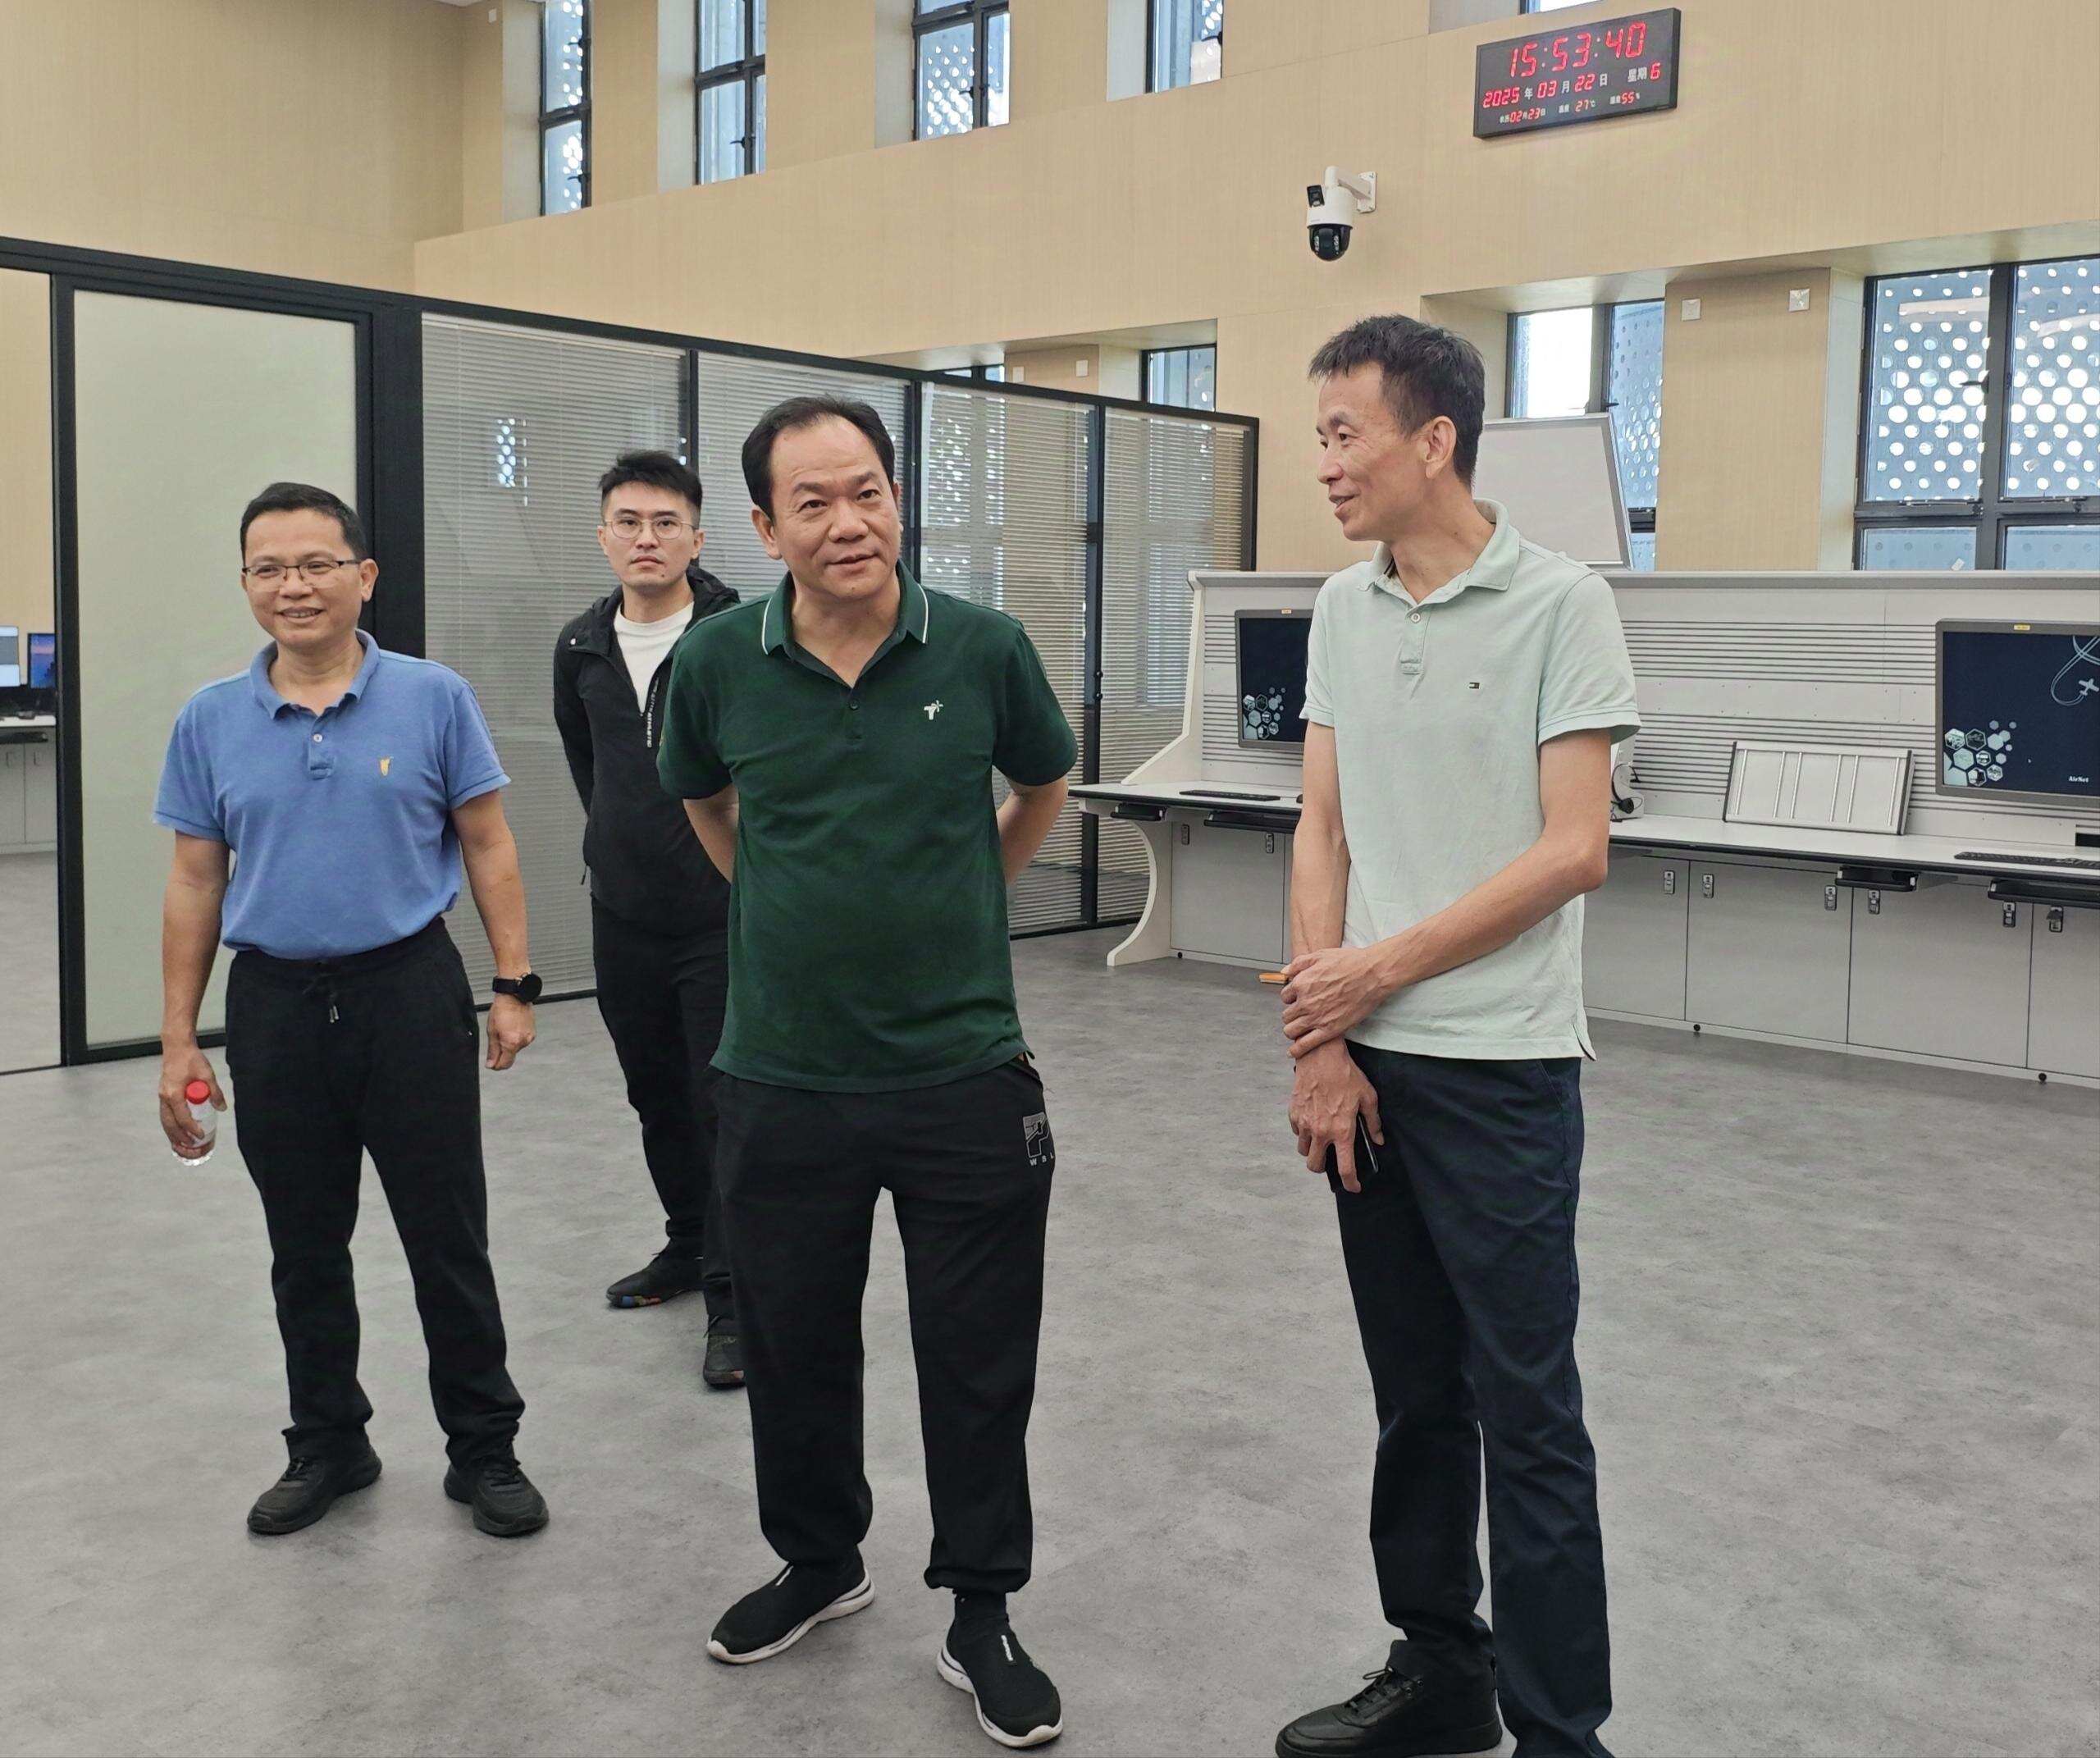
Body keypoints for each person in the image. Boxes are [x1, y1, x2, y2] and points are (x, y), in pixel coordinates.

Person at [656, 395, 1075, 1751]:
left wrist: (970, 889)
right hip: (780, 1075)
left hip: (962, 1070)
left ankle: (982, 1606)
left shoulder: (985, 647)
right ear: (763, 525)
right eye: (815, 502)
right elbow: (705, 800)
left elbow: (1043, 785)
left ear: (899, 497)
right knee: (792, 1341)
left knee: (978, 1357)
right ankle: (820, 1559)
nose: (850, 522)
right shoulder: (717, 662)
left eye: (870, 491)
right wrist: (776, 902)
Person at [1272, 317, 1639, 1758]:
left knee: (1526, 1410)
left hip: (1499, 1070)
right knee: (1414, 1395)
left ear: (1435, 440)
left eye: (1344, 433)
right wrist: (1323, 1037)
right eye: (1317, 435)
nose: (1324, 463)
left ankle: (1560, 1733)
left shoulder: (1562, 602)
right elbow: (1322, 825)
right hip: (1364, 1066)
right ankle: (1442, 1669)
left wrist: (1376, 971)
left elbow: (1573, 848)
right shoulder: (1341, 608)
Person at [155, 481, 550, 1541]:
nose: (294, 586)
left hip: (407, 993)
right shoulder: (210, 718)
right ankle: (329, 1440)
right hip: (275, 1003)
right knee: (304, 1244)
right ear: (247, 583)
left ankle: (485, 1446)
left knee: (445, 1234)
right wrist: (180, 1035)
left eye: (317, 563)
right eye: (269, 568)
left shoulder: (432, 697)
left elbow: (488, 842)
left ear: (364, 576)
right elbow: (195, 879)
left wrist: (513, 982)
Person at [553, 450, 744, 1387]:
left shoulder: (741, 635)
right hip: (623, 914)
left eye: (666, 522)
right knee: (655, 1092)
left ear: (696, 538)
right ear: (603, 536)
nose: (646, 538)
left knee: (722, 1101)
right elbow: (588, 767)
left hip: (722, 913)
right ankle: (687, 1244)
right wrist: (622, 845)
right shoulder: (580, 646)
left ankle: (735, 1298)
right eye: (628, 521)